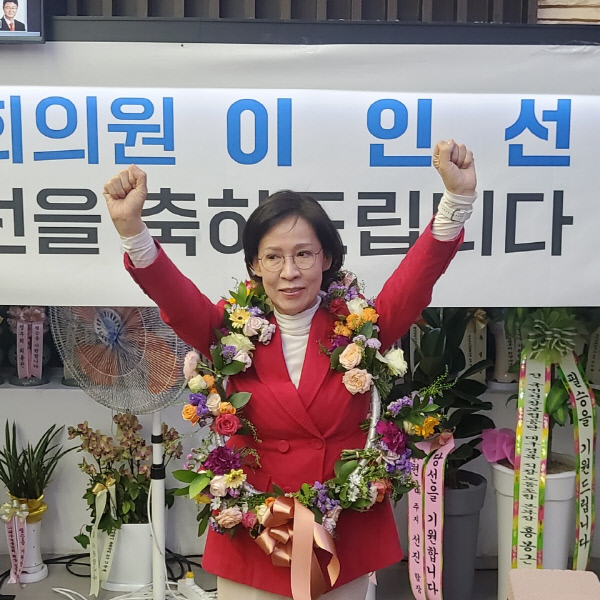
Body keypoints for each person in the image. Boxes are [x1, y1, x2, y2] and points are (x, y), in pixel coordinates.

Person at [103, 139, 477, 600]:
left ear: (327, 258)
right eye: (273, 257)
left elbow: (415, 281)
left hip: (344, 528)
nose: (289, 271)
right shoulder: (228, 333)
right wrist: (132, 230)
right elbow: (175, 299)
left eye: (304, 254)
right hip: (256, 530)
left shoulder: (363, 329)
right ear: (254, 265)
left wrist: (456, 200)